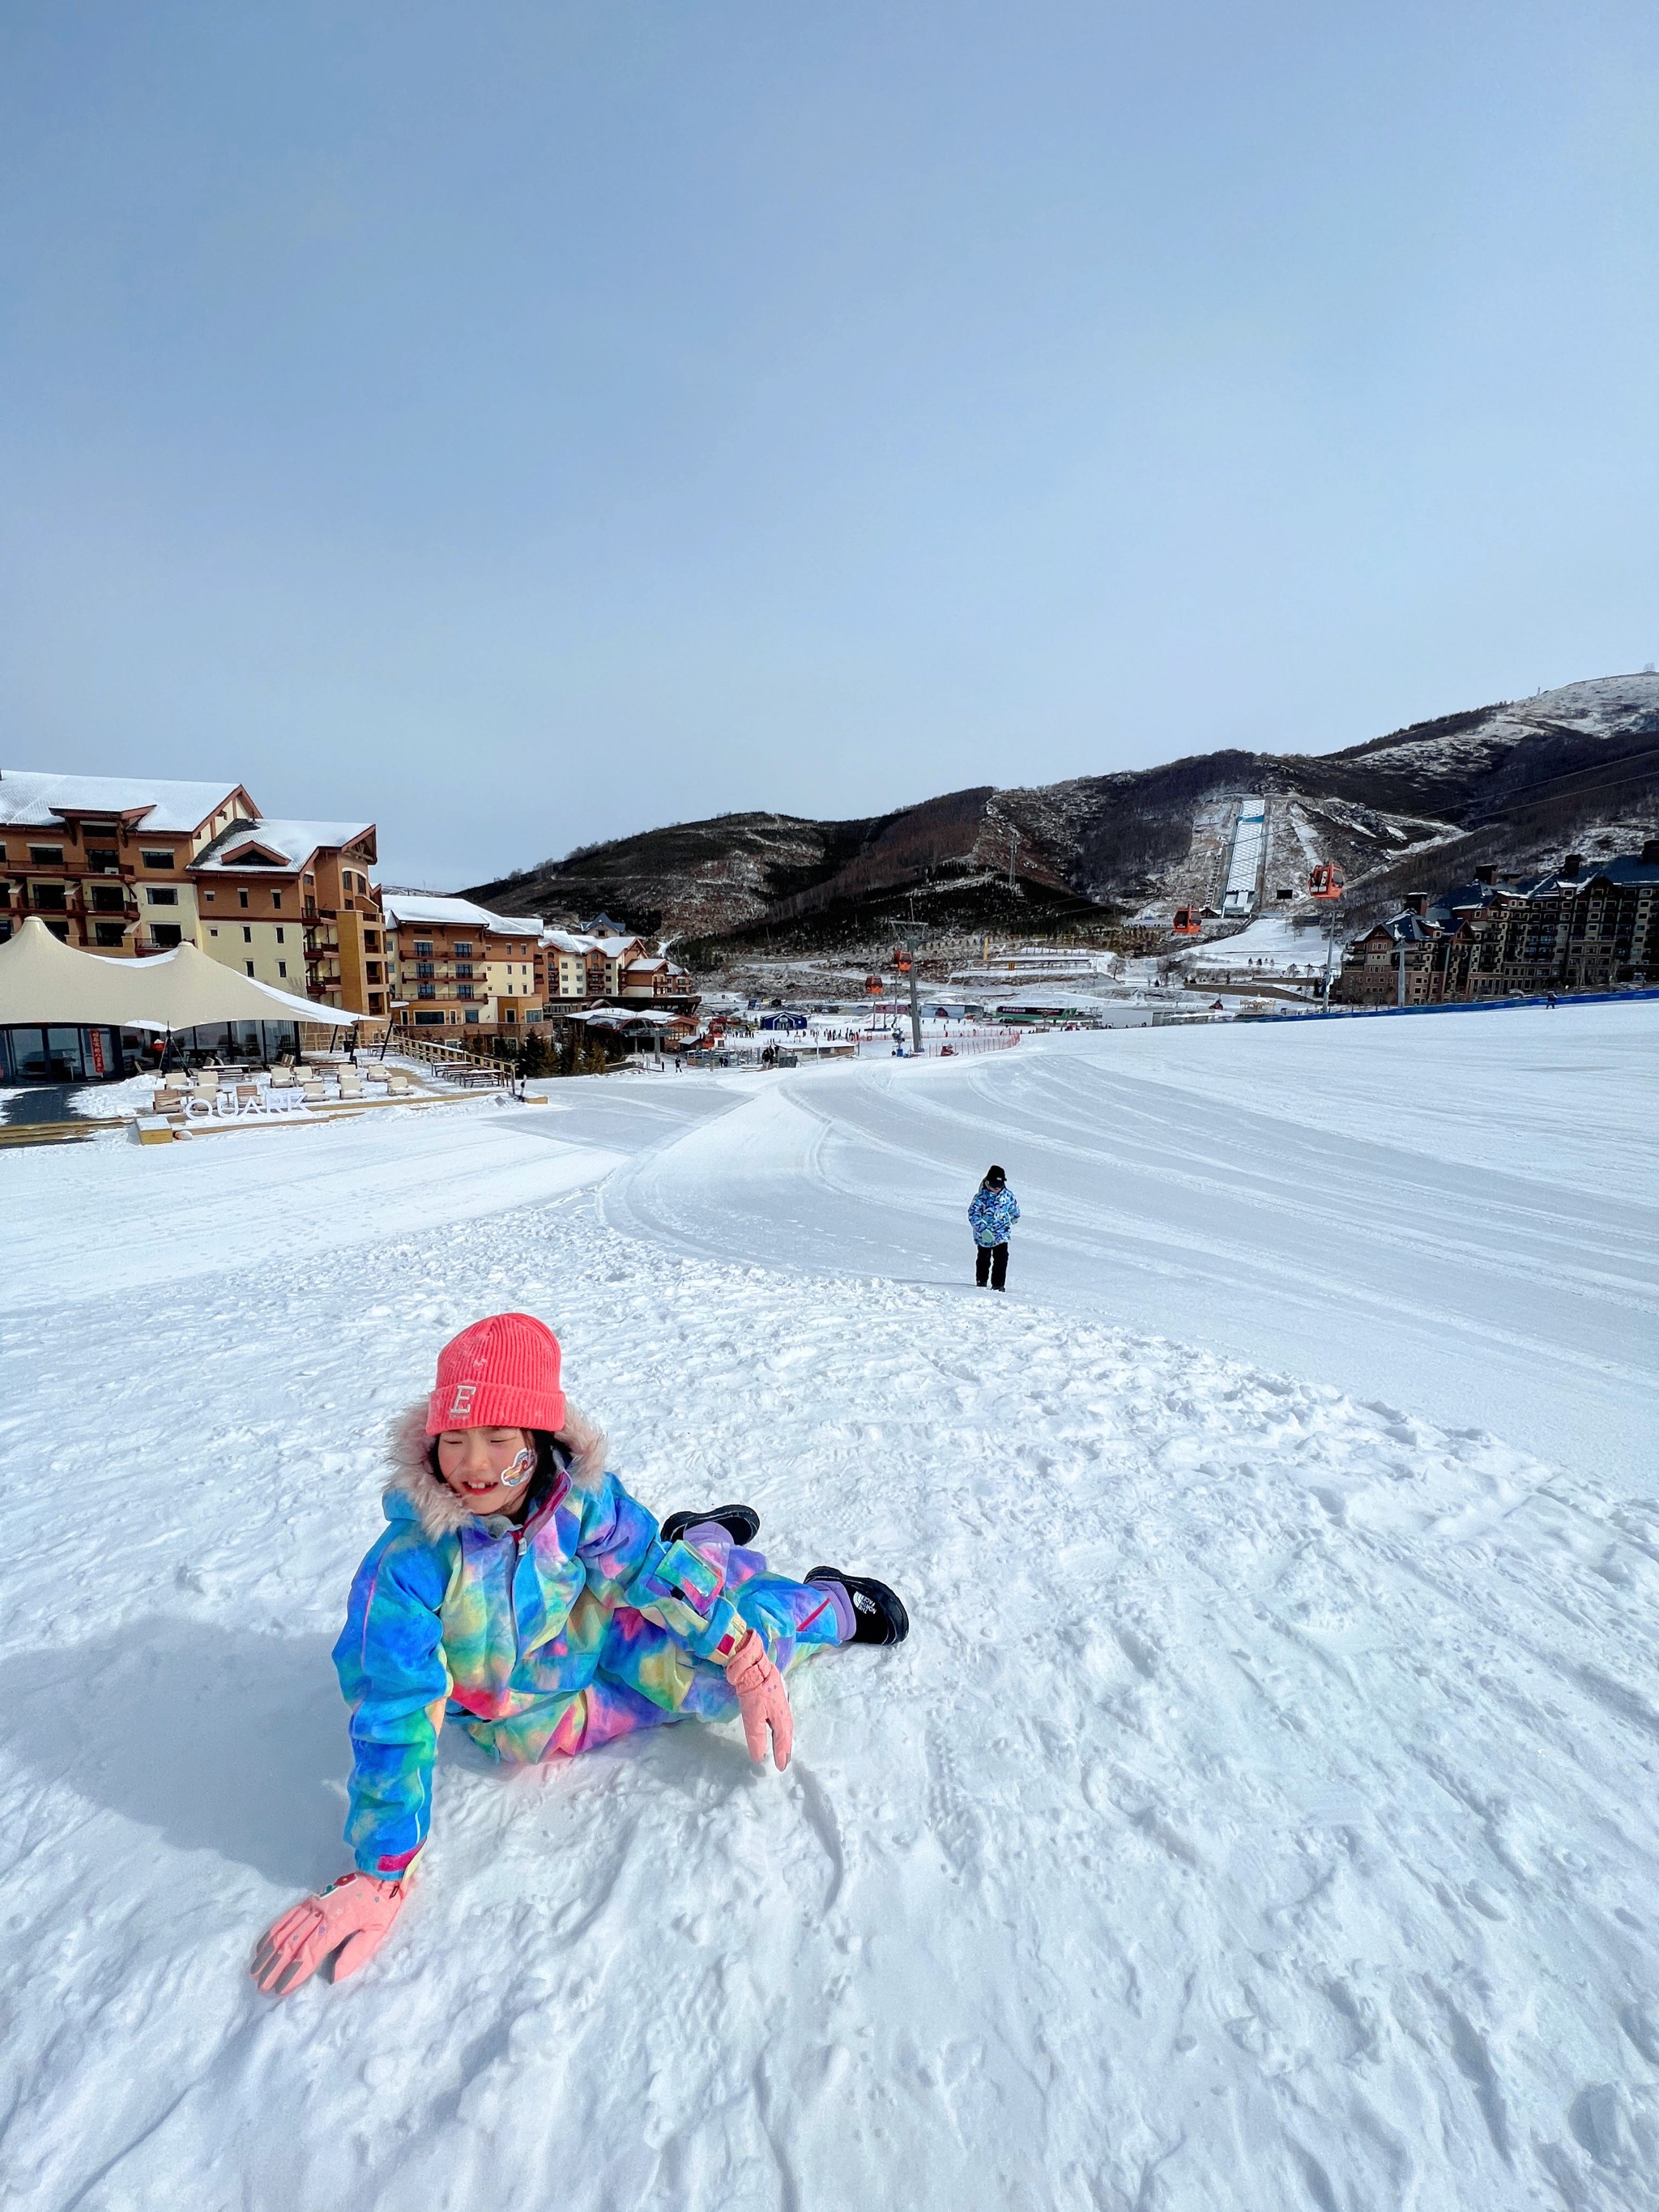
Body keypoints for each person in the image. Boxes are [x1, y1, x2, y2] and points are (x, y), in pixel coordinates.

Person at [252, 1313, 908, 1997]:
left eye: (498, 1438)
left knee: (724, 1668)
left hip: (605, 1630)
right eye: (454, 1439)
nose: (473, 1464)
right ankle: (707, 1537)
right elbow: (395, 1710)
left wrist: (744, 1655)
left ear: (536, 1442)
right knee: (676, 1685)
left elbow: (653, 1571)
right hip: (535, 1716)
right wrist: (382, 1873)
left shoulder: (582, 1502)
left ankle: (826, 1603)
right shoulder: (408, 1566)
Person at [969, 1164, 1020, 1291]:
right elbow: (973, 1215)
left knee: (1002, 1257)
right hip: (984, 1234)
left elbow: (1013, 1206)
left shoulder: (1007, 1196)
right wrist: (982, 1229)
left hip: (1001, 1232)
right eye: (993, 1185)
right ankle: (981, 1281)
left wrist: (1015, 1216)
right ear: (987, 1182)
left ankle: (998, 1285)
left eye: (999, 1185)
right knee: (984, 1258)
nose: (996, 1188)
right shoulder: (980, 1198)